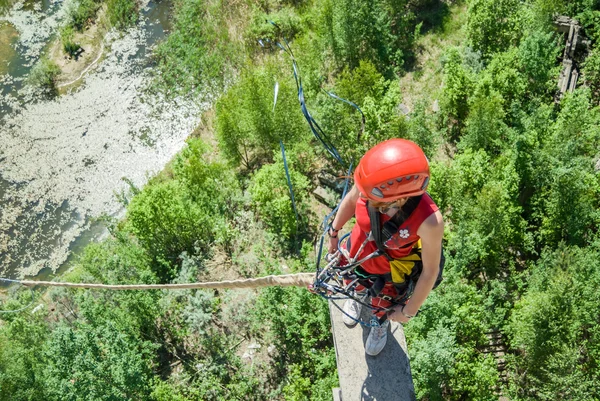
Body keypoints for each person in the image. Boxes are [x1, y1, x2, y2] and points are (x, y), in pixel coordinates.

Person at [327, 138, 444, 356]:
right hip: (356, 254)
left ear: (396, 198)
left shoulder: (429, 221)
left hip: (388, 272)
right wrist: (333, 233)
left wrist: (408, 312)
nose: (364, 197)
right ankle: (358, 294)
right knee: (355, 283)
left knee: (382, 303)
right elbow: (352, 201)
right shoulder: (370, 186)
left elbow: (430, 272)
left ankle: (379, 321)